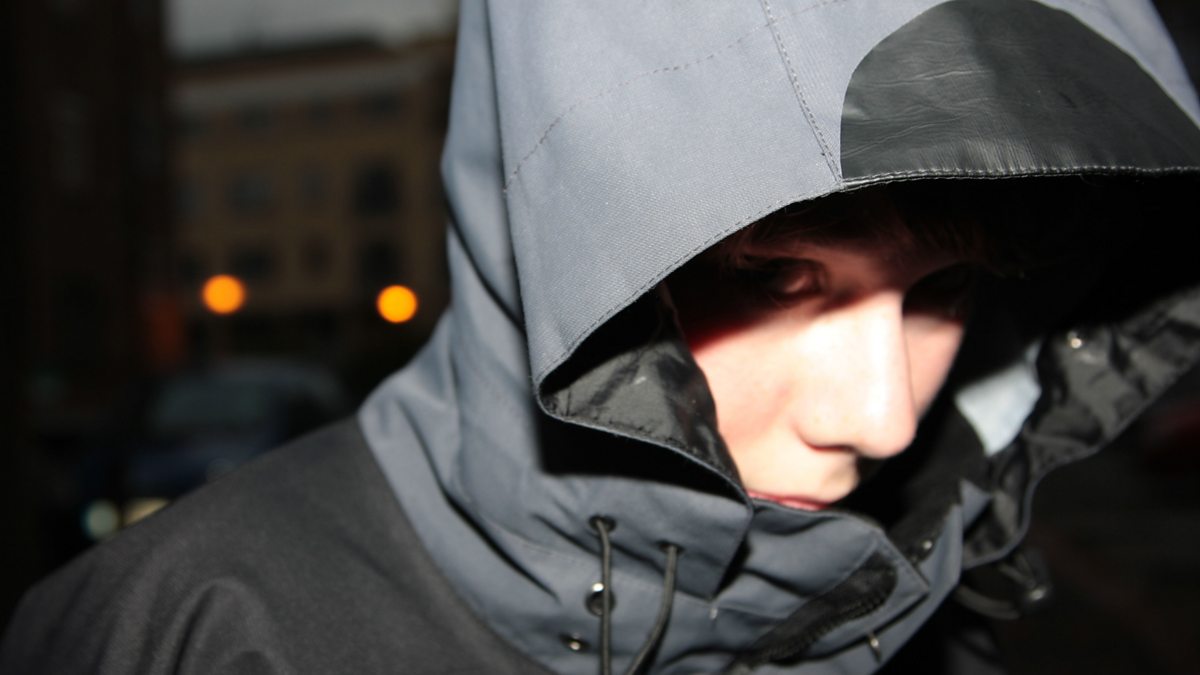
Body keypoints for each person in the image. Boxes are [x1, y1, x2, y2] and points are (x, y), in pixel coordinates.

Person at [5, 0, 1200, 673]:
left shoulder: (931, 605)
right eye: (776, 280)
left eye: (944, 290)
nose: (882, 418)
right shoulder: (194, 632)